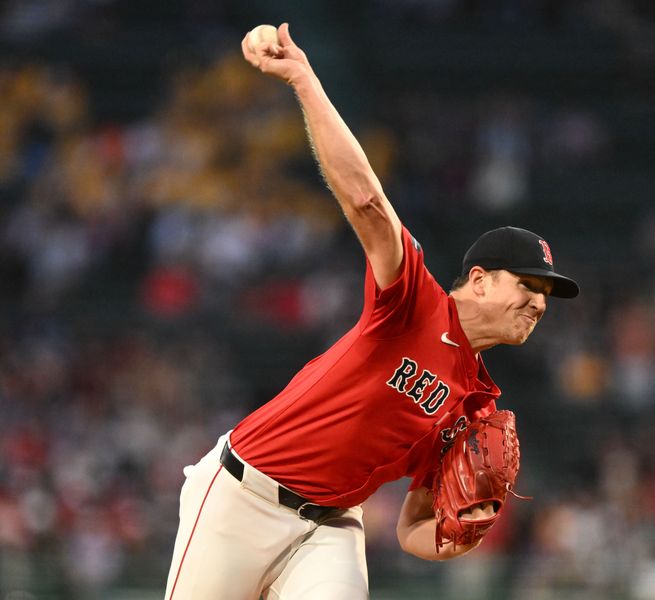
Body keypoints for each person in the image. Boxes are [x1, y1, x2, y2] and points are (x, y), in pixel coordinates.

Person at [164, 22, 579, 600]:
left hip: (331, 527)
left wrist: (456, 536)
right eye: (528, 284)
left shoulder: (475, 405)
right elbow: (366, 200)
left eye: (547, 294)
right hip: (243, 496)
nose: (538, 301)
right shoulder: (414, 301)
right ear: (479, 282)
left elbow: (412, 529)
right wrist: (304, 78)